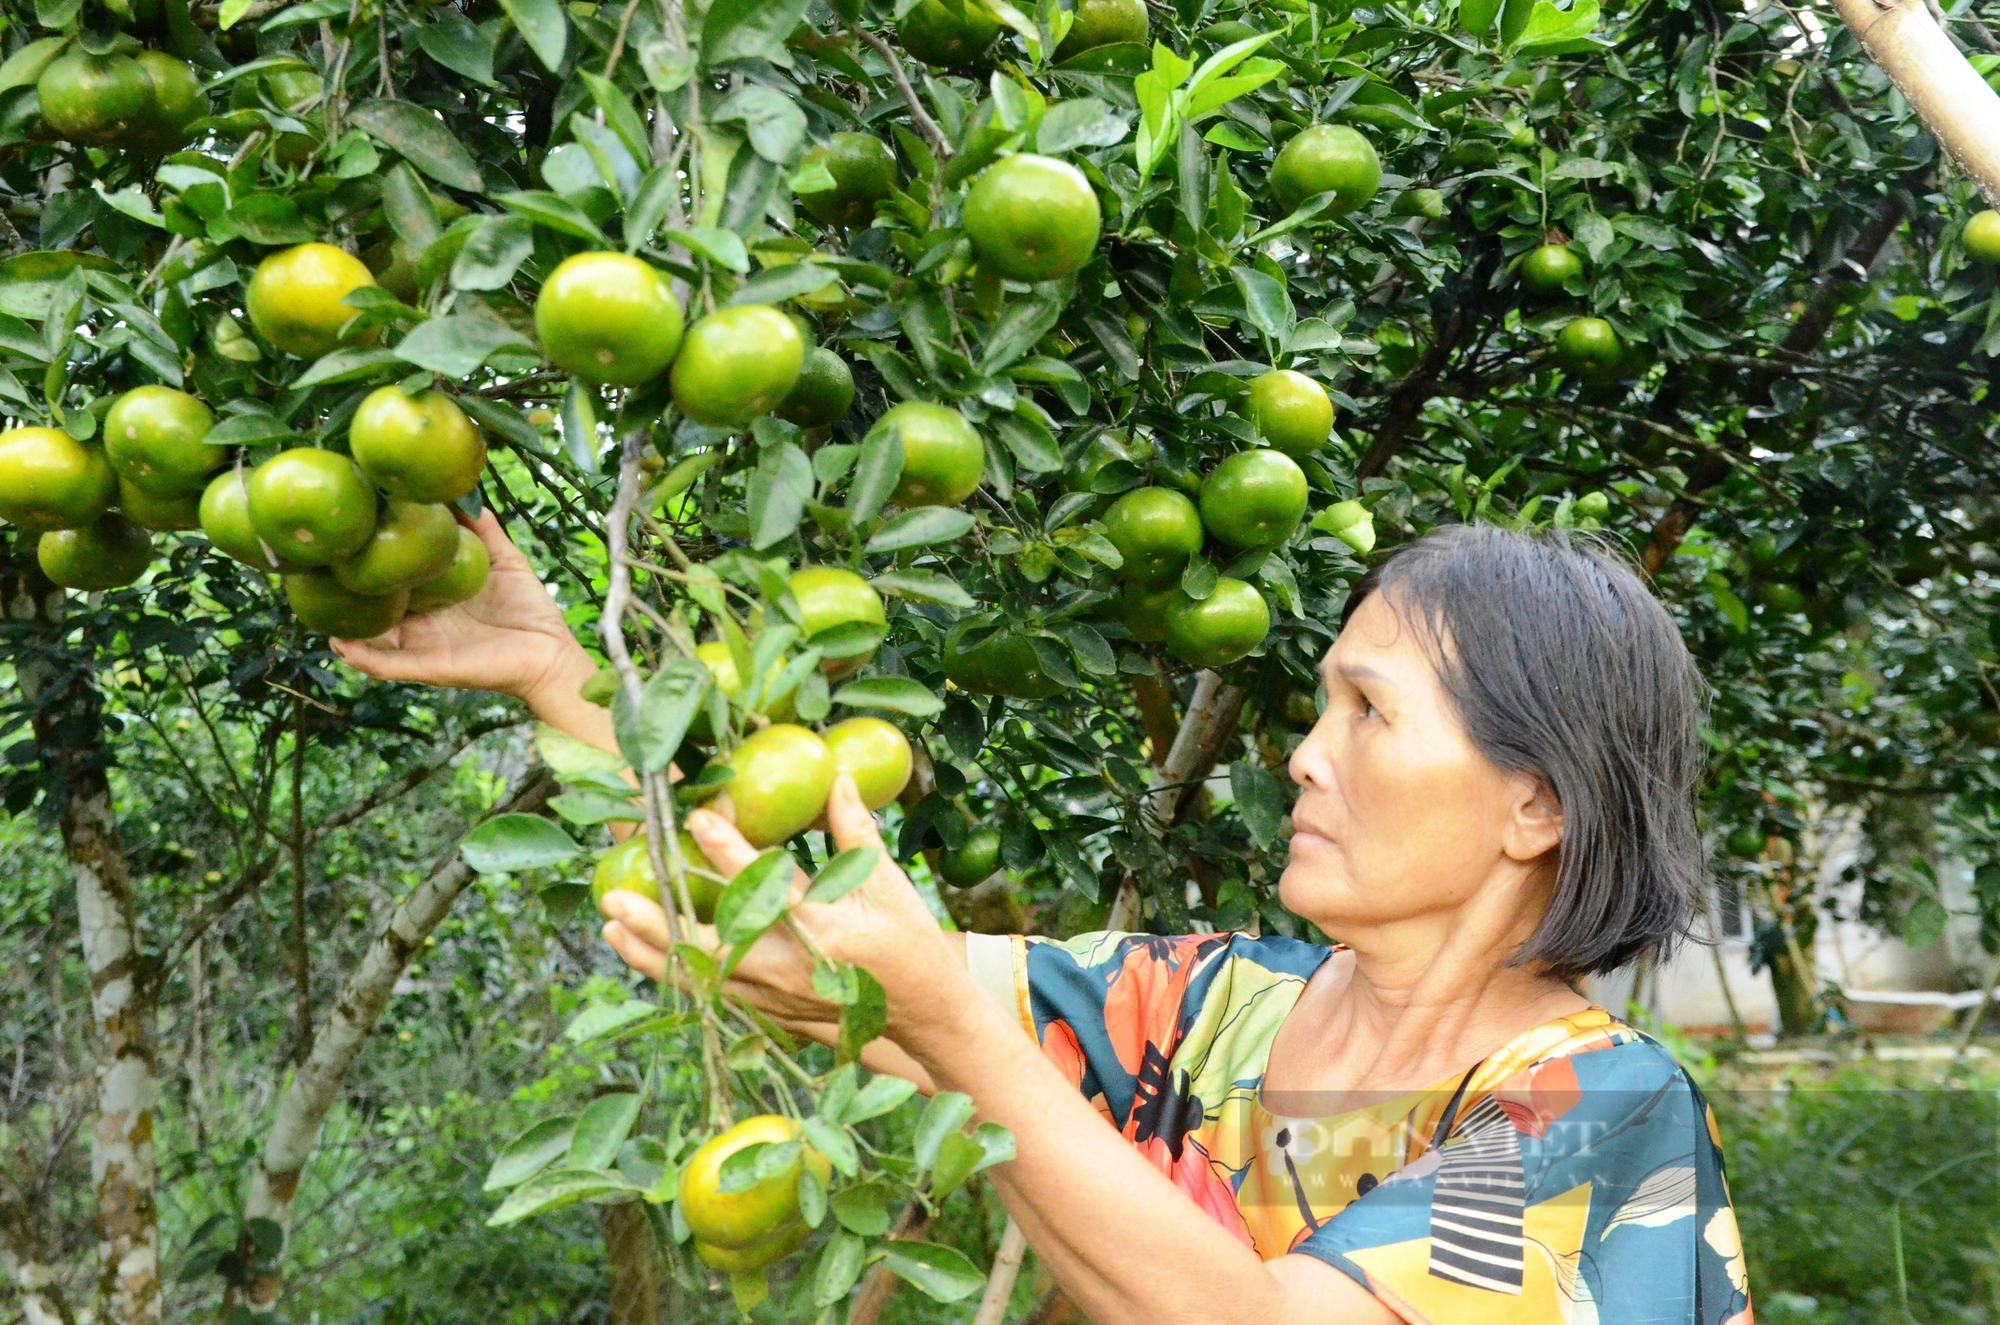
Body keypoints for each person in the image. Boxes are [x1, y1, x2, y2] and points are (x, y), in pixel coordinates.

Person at [336, 516, 1753, 1325]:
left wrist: (957, 1029)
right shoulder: (1214, 1010)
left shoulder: (1589, 1113)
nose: (1305, 754)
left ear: (1535, 805)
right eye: (1321, 702)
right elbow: (828, 952)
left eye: (1370, 712)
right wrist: (566, 681)